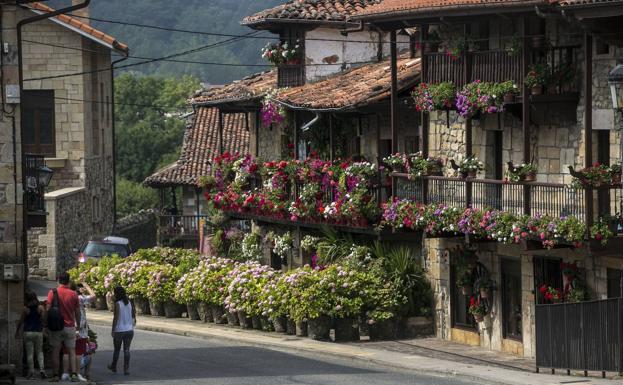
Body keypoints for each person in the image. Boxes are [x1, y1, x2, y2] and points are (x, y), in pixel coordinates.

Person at [46, 272, 80, 382]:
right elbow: (77, 311)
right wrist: (78, 325)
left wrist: (46, 324)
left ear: (58, 280)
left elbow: (47, 309)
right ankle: (74, 374)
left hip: (56, 327)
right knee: (71, 351)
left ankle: (56, 375)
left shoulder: (53, 292)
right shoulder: (74, 294)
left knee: (55, 351)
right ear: (68, 281)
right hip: (70, 326)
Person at [61, 282, 95, 382]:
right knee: (79, 352)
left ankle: (65, 373)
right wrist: (87, 285)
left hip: (67, 325)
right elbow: (93, 297)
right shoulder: (79, 298)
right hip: (80, 328)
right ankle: (77, 373)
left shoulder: (64, 297)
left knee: (66, 351)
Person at [16, 290, 46, 379]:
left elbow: (21, 321)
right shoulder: (40, 307)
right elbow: (43, 320)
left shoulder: (25, 309)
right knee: (39, 352)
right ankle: (42, 370)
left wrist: (17, 331)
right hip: (38, 332)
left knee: (30, 353)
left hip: (28, 332)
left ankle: (31, 372)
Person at [108, 286, 135, 375]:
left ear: (117, 294)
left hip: (119, 330)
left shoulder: (118, 304)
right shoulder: (129, 303)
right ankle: (126, 369)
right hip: (129, 330)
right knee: (127, 349)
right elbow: (133, 316)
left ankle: (114, 366)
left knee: (117, 350)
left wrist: (113, 329)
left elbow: (116, 318)